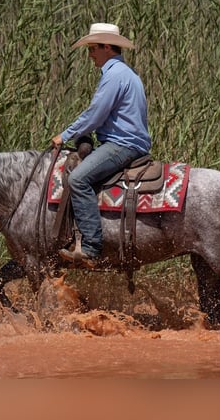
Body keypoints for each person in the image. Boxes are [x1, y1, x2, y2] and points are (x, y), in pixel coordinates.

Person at [52, 22, 151, 264]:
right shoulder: (126, 73)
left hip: (122, 144)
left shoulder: (114, 75)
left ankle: (91, 246)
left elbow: (95, 114)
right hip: (128, 142)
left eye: (92, 48)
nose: (90, 55)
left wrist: (64, 136)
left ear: (107, 47)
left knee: (78, 179)